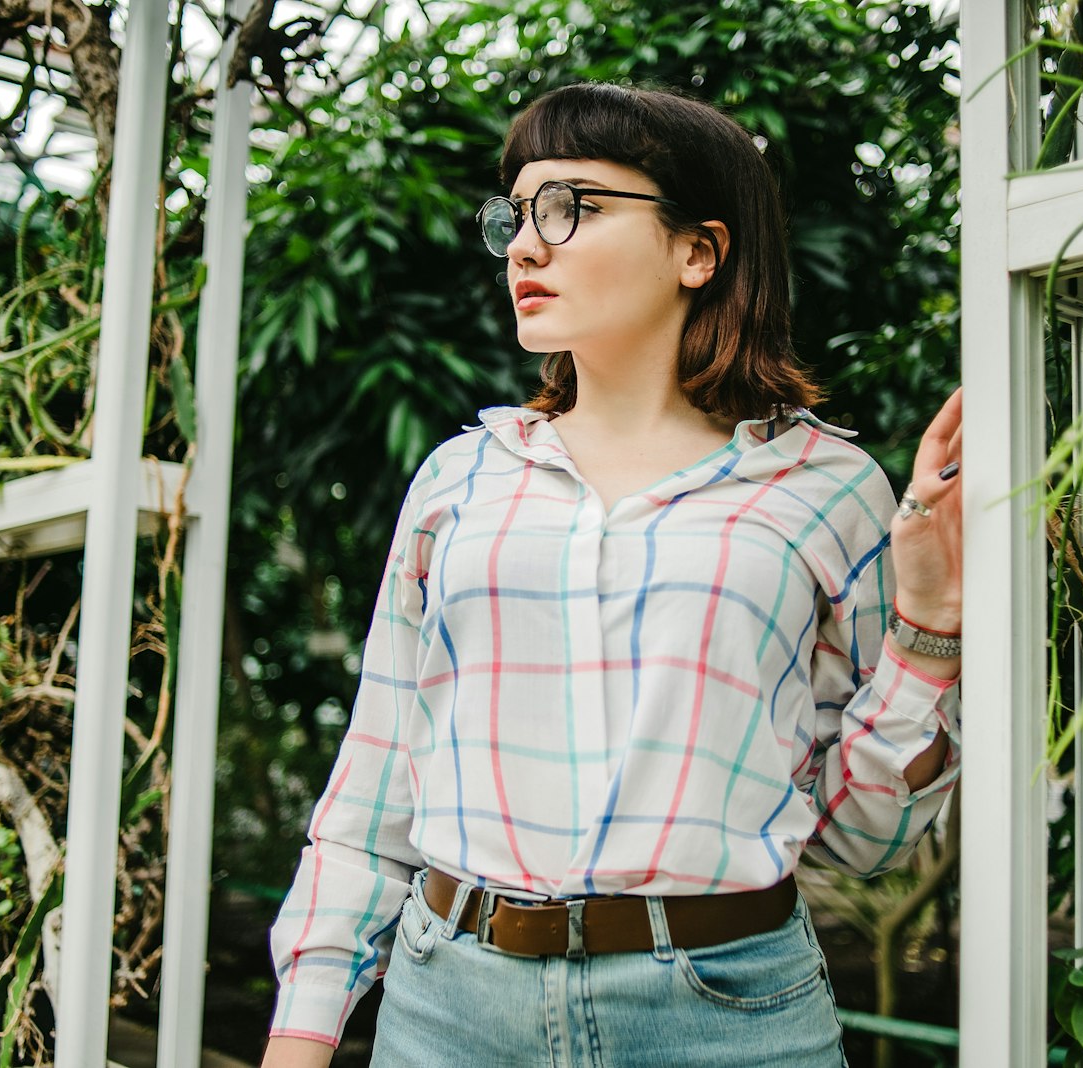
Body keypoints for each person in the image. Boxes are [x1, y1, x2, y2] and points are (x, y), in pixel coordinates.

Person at [260, 82, 962, 1068]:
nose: (523, 245)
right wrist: (302, 1031)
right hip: (447, 1012)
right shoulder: (461, 479)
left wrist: (928, 624)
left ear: (698, 250)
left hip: (724, 1015)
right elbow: (375, 789)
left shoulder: (824, 488)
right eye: (514, 213)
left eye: (571, 206)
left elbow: (865, 844)